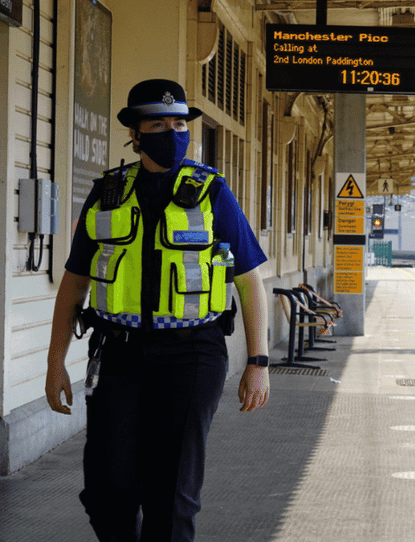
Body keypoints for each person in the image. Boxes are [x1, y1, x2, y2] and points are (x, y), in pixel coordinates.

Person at [45, 79, 270, 542]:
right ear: (135, 134)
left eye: (179, 124)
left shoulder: (212, 192)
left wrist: (258, 361)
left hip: (193, 355)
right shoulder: (107, 192)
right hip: (119, 354)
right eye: (158, 125)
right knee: (107, 490)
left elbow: (249, 281)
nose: (172, 133)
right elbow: (74, 282)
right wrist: (55, 362)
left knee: (171, 497)